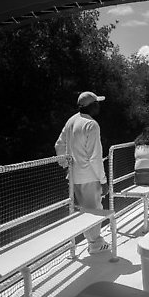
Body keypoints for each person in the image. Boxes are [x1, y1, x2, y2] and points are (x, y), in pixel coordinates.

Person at [55, 91, 110, 254]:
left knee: (85, 210)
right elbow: (95, 157)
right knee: (94, 210)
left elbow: (59, 145)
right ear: (91, 106)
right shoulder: (92, 124)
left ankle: (94, 241)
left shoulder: (71, 120)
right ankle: (95, 244)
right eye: (97, 103)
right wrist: (103, 180)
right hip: (89, 176)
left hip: (73, 176)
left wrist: (66, 164)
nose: (99, 106)